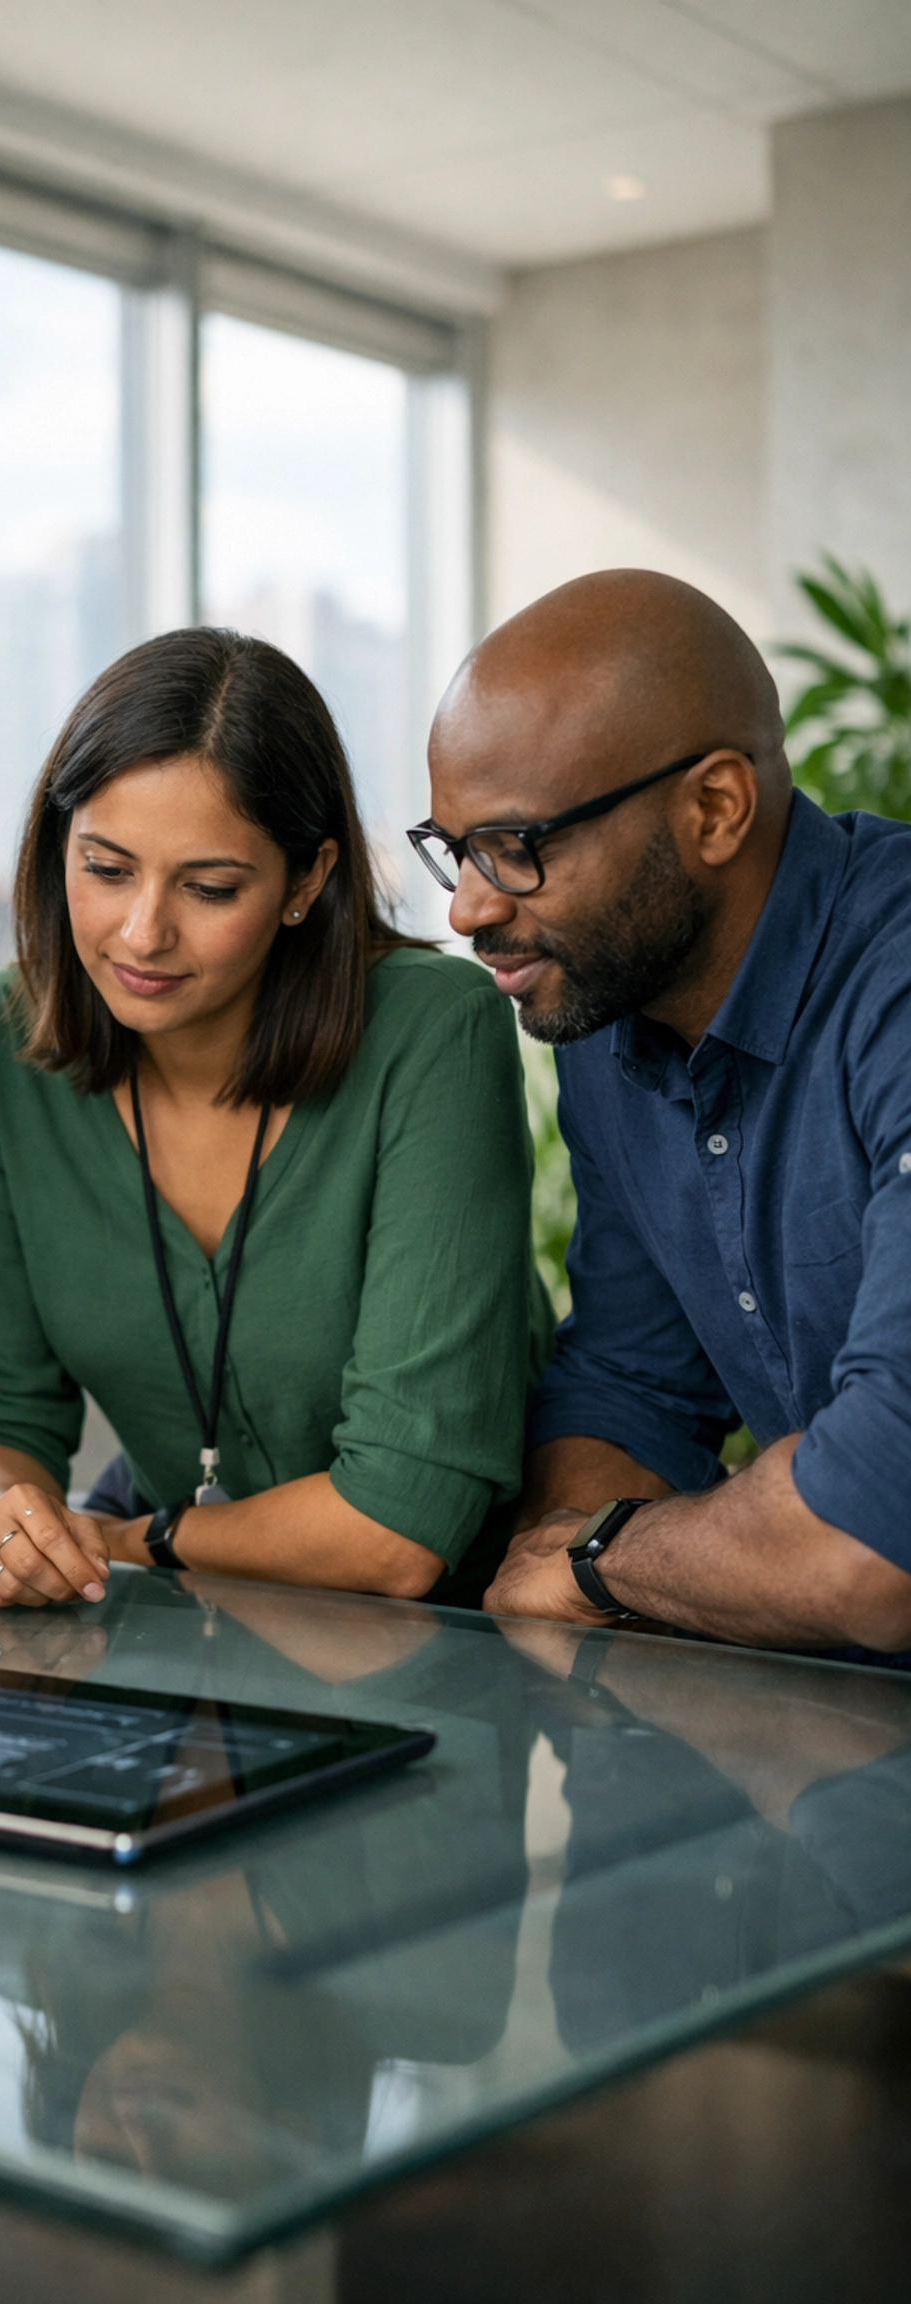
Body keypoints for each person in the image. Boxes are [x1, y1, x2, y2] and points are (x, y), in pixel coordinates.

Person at [0, 627, 548, 1609]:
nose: (142, 933)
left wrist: (125, 1538)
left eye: (210, 888)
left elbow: (398, 1533)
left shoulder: (433, 1033)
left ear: (306, 882)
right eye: (106, 867)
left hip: (457, 1648)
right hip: (178, 1635)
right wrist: (10, 1521)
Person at [412, 567, 911, 1655]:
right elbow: (633, 1383)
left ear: (715, 808)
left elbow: (874, 1547)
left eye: (518, 848)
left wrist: (605, 1560)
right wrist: (616, 1548)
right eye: (456, 849)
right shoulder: (611, 1001)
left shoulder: (896, 988)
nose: (470, 908)